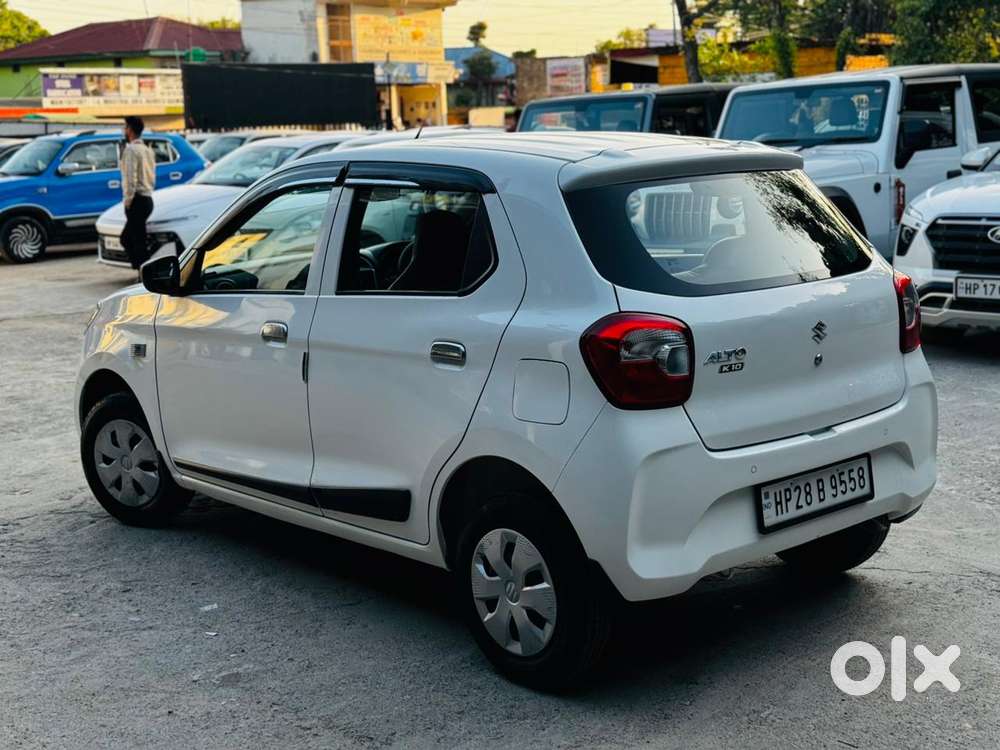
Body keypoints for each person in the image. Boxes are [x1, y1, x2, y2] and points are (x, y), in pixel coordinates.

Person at [119, 115, 156, 270]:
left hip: (137, 200)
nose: (124, 130)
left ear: (130, 130)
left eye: (125, 127)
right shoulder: (147, 150)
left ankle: (145, 273)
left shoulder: (131, 150)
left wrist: (128, 201)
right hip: (147, 199)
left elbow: (130, 178)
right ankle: (143, 271)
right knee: (133, 239)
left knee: (133, 240)